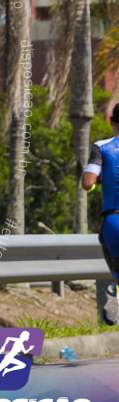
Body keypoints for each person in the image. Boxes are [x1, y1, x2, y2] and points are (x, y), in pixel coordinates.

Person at [80, 102, 119, 326]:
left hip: (113, 220)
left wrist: (100, 180)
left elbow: (87, 183)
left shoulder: (102, 147)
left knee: (116, 271)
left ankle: (114, 292)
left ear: (111, 121)